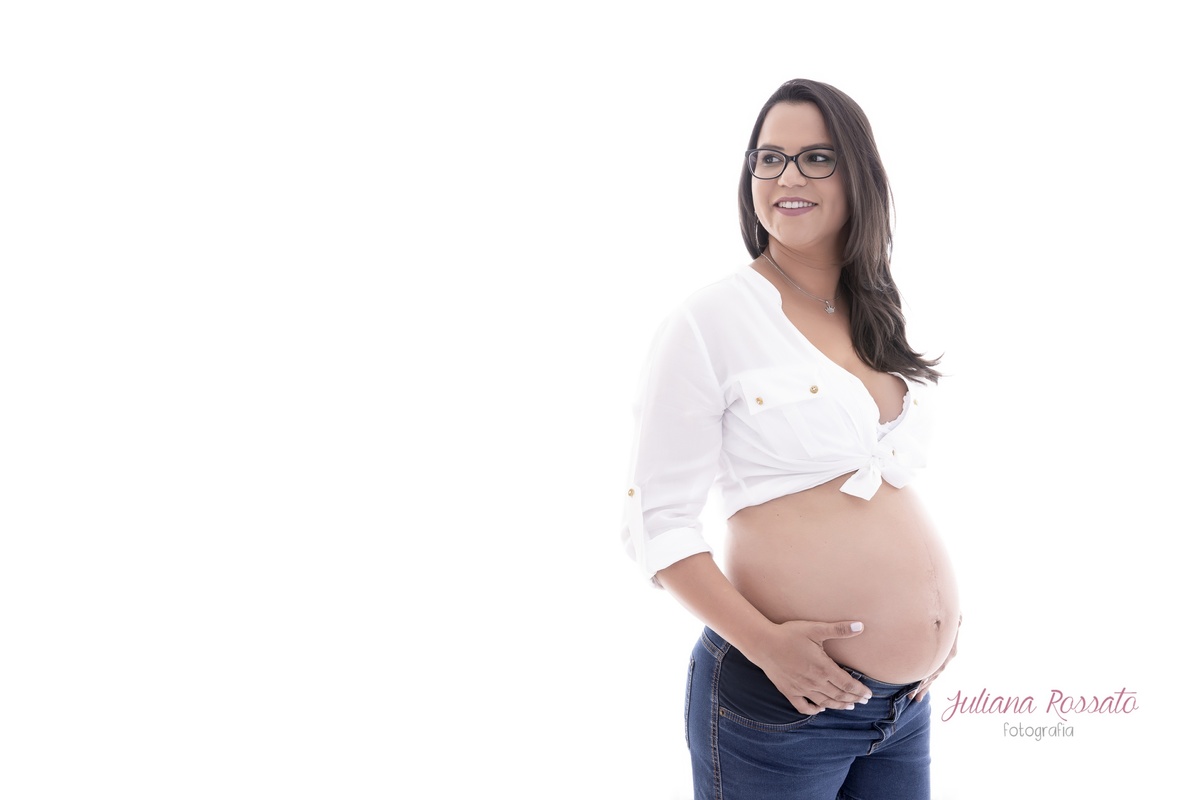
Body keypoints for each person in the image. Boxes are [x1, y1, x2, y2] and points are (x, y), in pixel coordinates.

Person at [621, 79, 961, 800]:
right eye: (768, 159)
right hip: (783, 704)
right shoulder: (709, 319)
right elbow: (656, 523)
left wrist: (933, 620)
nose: (786, 178)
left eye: (816, 158)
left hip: (904, 707)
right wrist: (768, 646)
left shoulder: (874, 309)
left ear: (858, 174)